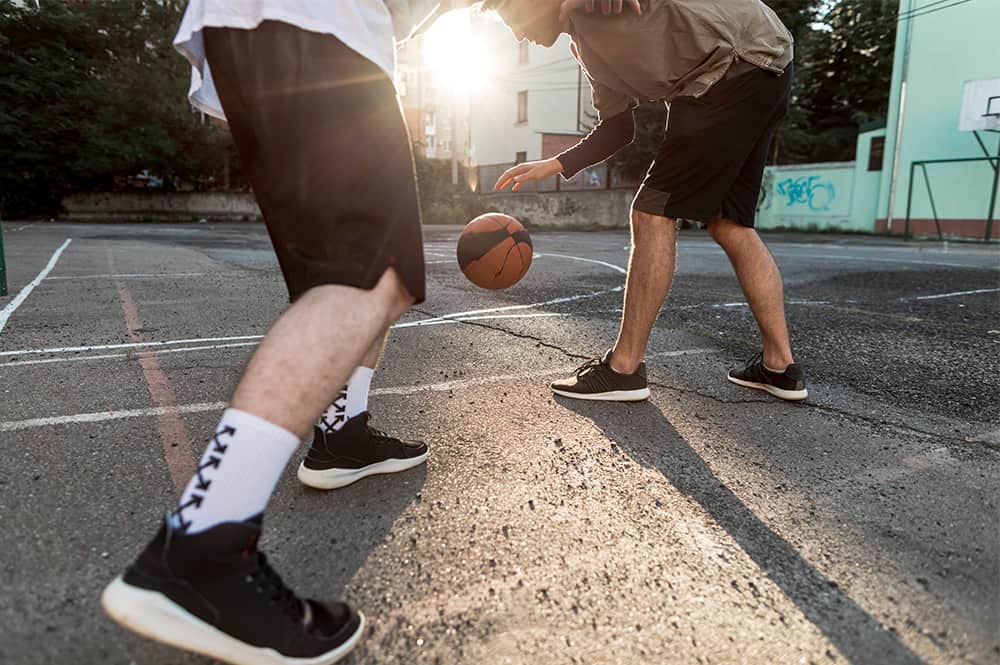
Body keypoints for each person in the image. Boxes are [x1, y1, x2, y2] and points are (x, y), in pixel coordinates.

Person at [100, 2, 451, 664]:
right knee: (369, 276)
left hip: (270, 30)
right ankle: (201, 547)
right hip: (316, 26)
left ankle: (343, 435)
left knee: (355, 277)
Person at [490, 0, 809, 403]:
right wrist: (556, 162)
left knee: (651, 214)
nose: (519, 34)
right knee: (730, 222)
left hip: (732, 67)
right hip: (762, 66)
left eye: (514, 19)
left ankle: (623, 369)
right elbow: (618, 128)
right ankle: (779, 366)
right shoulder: (586, 47)